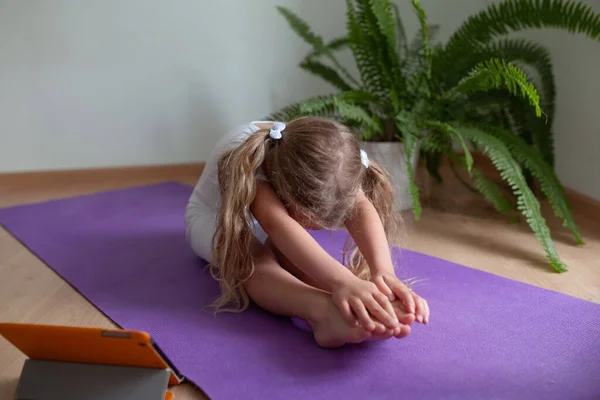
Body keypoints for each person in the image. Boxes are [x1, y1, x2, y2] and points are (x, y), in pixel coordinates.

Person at [185, 117, 429, 348]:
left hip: (264, 223)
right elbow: (277, 224)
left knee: (305, 260)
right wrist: (345, 281)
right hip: (214, 220)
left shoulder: (324, 157)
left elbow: (361, 206)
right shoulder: (247, 155)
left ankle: (364, 308)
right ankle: (320, 311)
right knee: (255, 260)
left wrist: (384, 274)